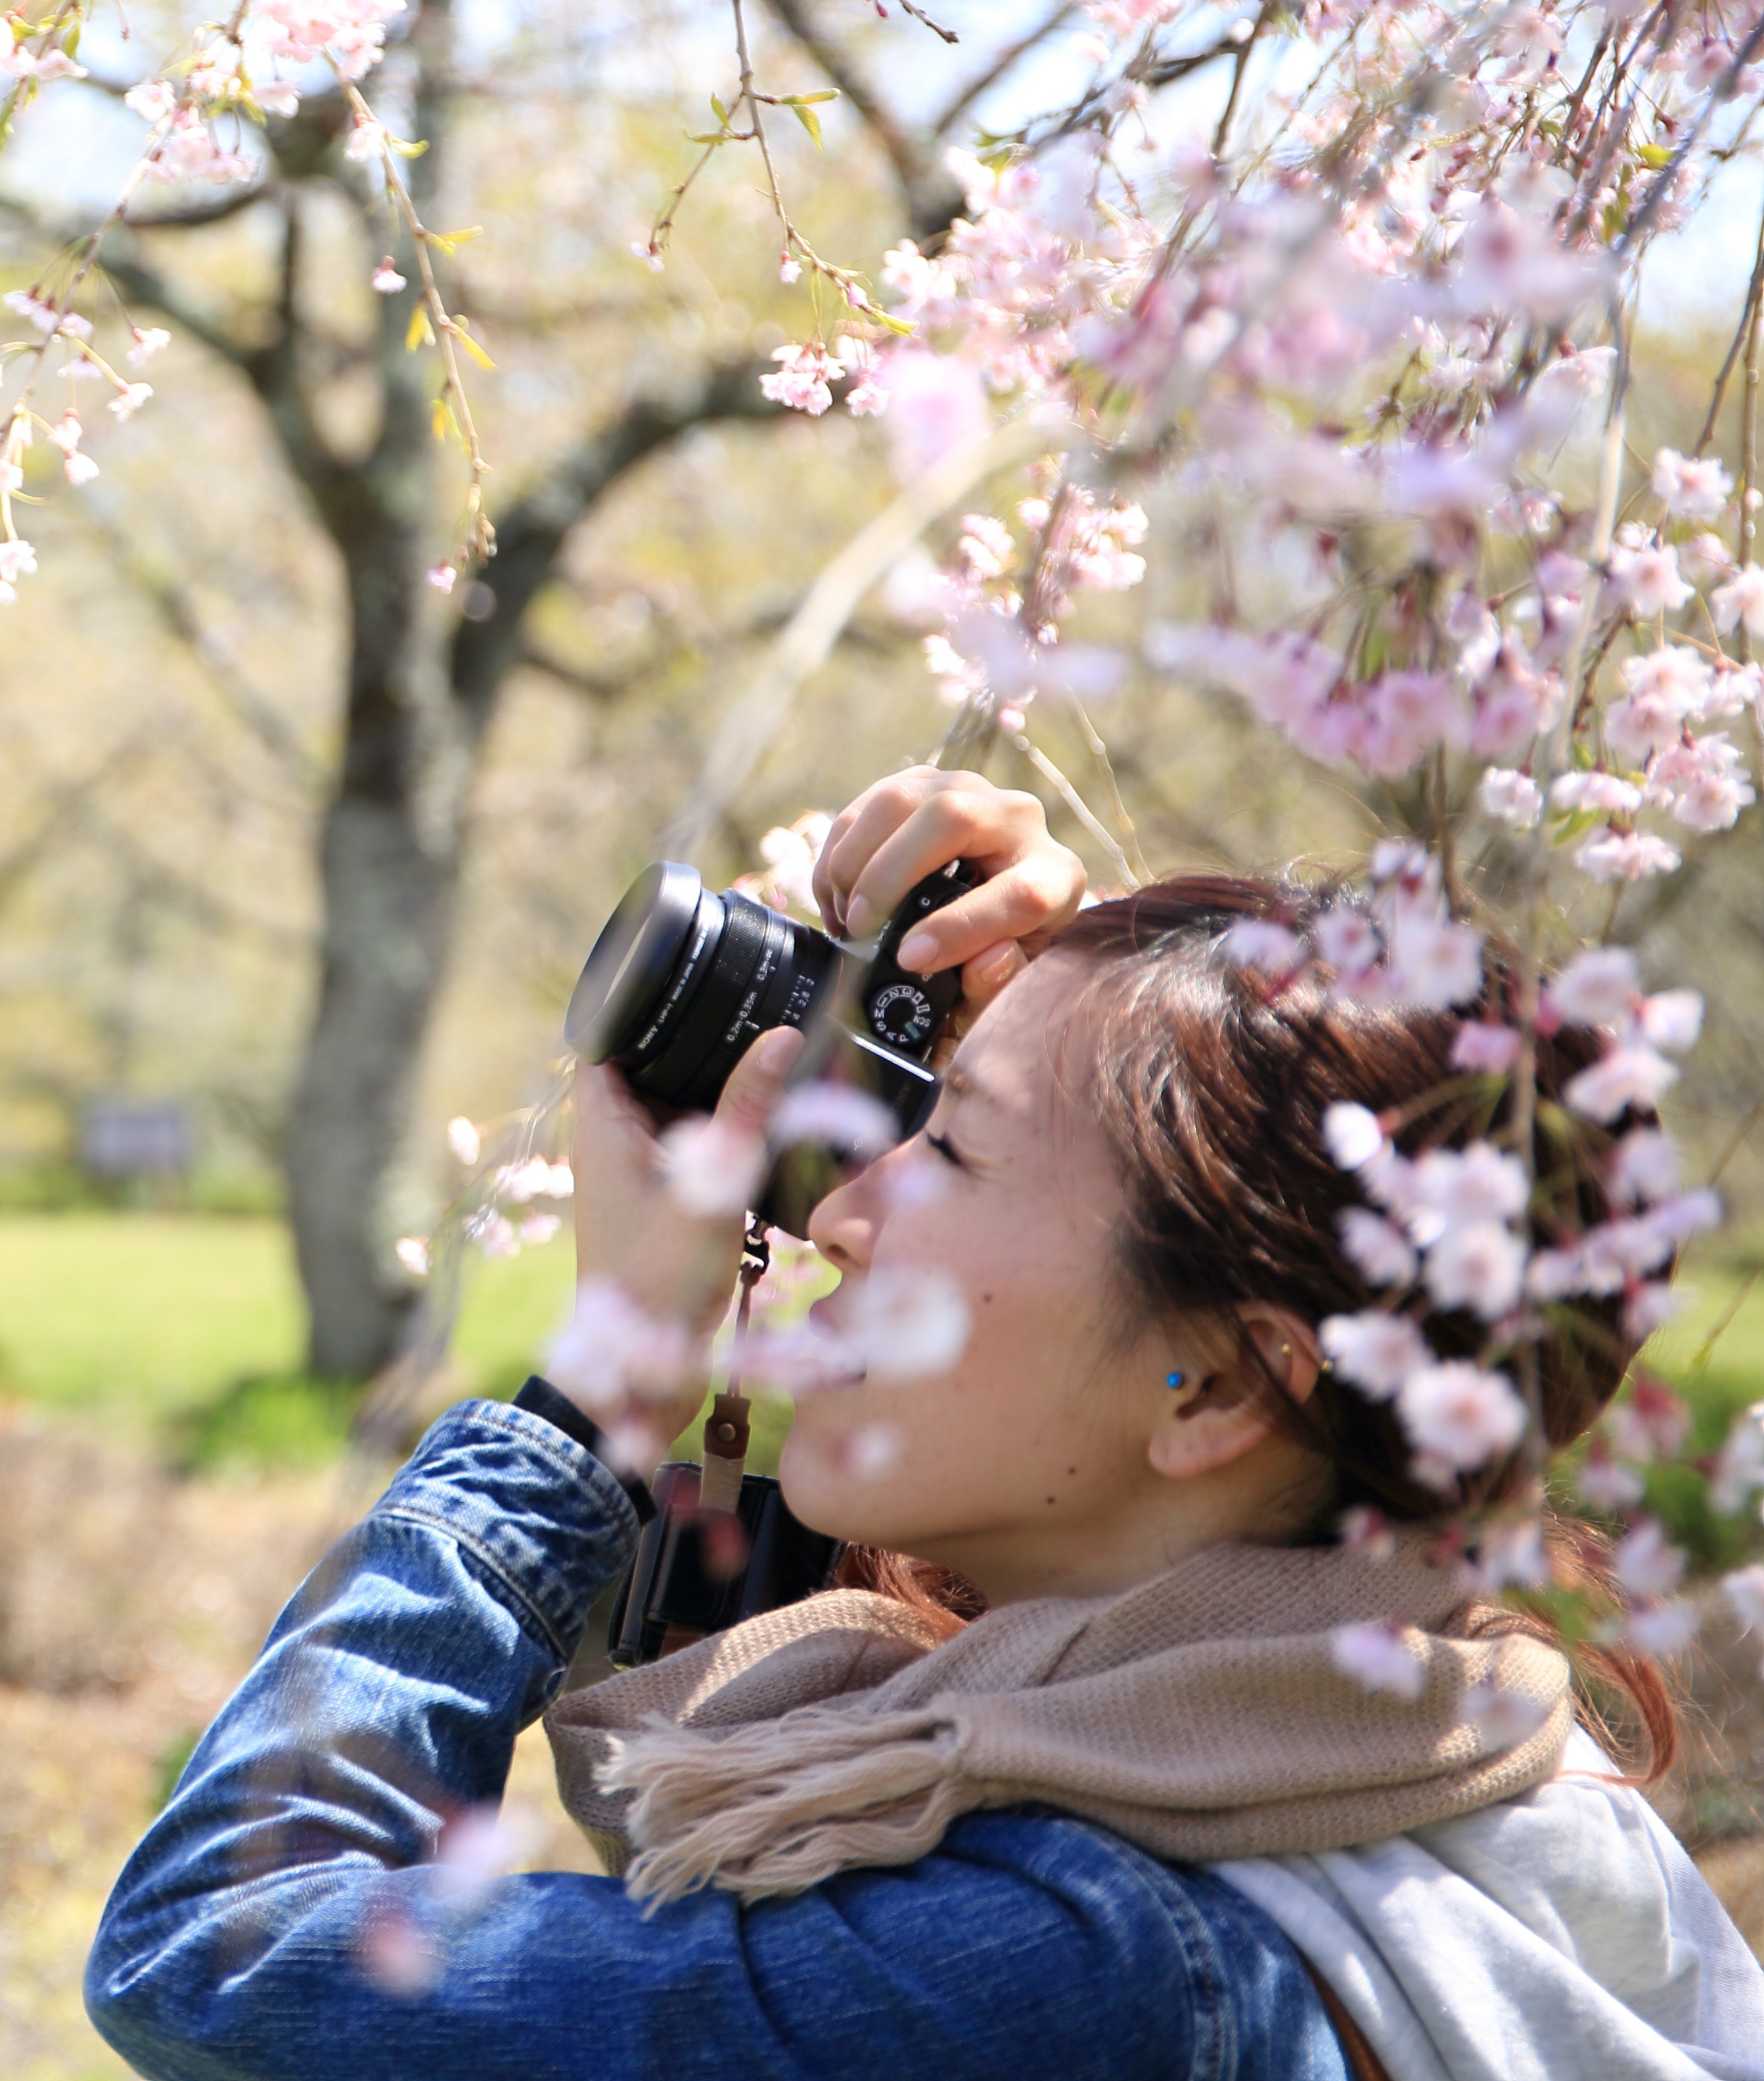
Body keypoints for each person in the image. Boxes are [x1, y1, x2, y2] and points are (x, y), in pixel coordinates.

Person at [89, 767, 1764, 2081]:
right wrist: (1044, 1036)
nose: (839, 1207)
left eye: (945, 1147)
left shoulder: (1074, 1974)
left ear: (1226, 1386)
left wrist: (596, 1391)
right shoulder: (1461, 1799)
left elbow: (222, 1945)